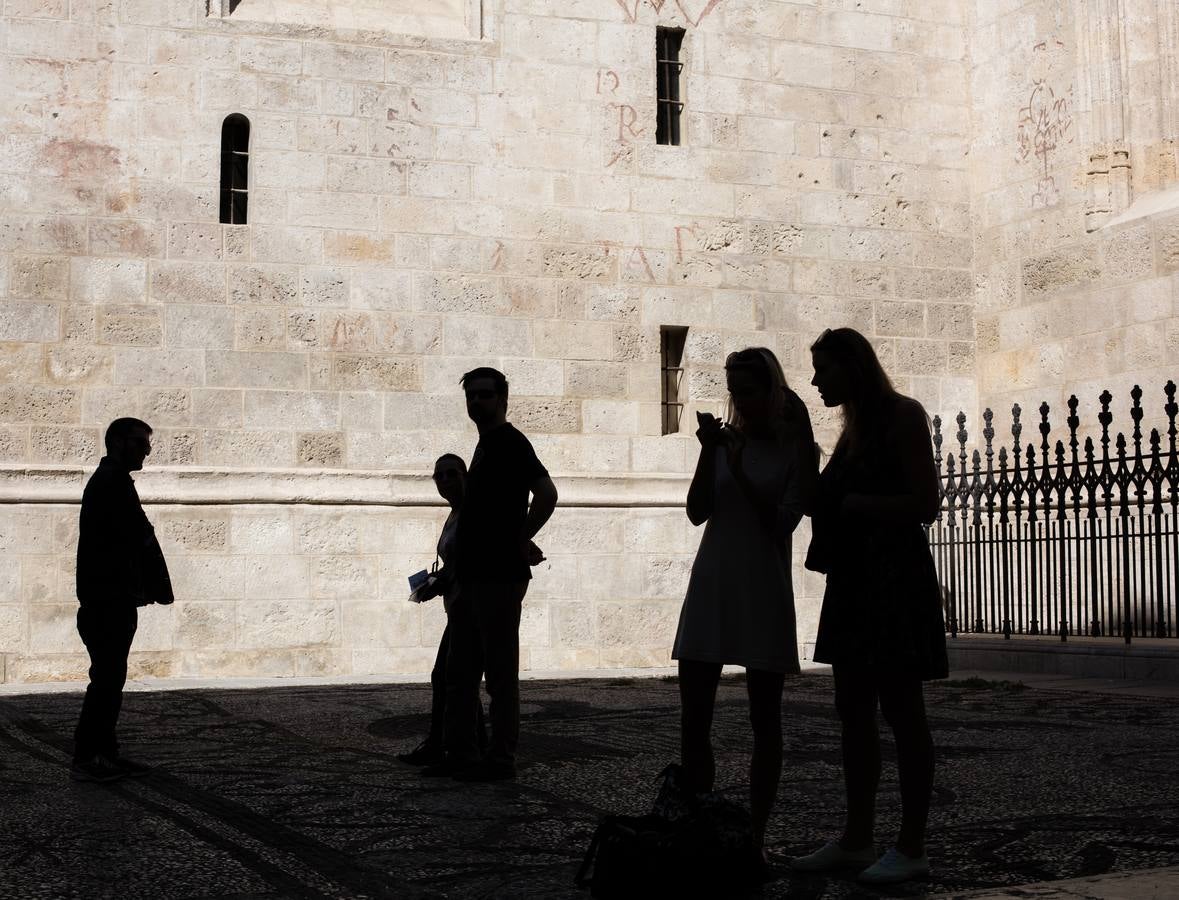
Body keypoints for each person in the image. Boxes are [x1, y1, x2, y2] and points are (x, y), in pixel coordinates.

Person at [791, 328, 948, 885]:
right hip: (857, 582)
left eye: (823, 370)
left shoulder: (903, 416)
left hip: (893, 581)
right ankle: (857, 839)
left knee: (903, 712)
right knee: (852, 711)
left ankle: (911, 845)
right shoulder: (850, 431)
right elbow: (819, 501)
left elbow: (925, 502)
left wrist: (855, 502)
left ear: (852, 367)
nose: (814, 381)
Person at [672, 347, 817, 863]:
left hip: (762, 586)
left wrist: (735, 462)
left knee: (765, 718)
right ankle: (696, 826)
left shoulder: (796, 448)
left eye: (748, 389)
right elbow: (696, 512)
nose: (739, 399)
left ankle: (755, 837)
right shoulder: (724, 444)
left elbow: (781, 523)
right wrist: (708, 454)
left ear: (771, 390)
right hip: (713, 580)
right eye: (733, 390)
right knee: (695, 716)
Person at [424, 367, 558, 782]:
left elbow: (547, 494)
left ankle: (500, 759)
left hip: (499, 576)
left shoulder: (511, 442)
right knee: (459, 673)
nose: (477, 402)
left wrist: (521, 538)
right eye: (472, 396)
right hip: (473, 576)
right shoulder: (484, 446)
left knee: (499, 675)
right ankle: (460, 753)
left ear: (502, 399)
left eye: (485, 395)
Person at [72, 417, 174, 782]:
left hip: (112, 597)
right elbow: (124, 542)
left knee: (110, 678)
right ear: (116, 442)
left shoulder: (114, 482)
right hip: (107, 599)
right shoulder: (110, 483)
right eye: (139, 441)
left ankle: (105, 752)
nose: (146, 449)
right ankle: (88, 758)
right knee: (106, 679)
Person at [397, 453, 488, 766]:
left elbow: (469, 560)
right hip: (458, 605)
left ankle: (449, 747)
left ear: (465, 475)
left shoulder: (472, 513)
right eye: (440, 476)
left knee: (450, 676)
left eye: (452, 473)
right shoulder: (454, 513)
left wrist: (440, 581)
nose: (446, 480)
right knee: (457, 677)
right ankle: (472, 743)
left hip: (472, 605)